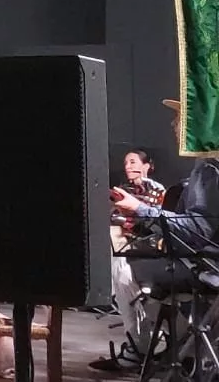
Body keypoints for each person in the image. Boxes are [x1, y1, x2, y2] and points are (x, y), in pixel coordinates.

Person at [93, 101, 219, 374]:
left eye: (179, 118)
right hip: (202, 260)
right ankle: (176, 343)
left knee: (123, 267)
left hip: (207, 267)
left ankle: (145, 348)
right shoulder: (203, 169)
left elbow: (199, 231)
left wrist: (140, 209)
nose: (173, 124)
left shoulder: (209, 168)